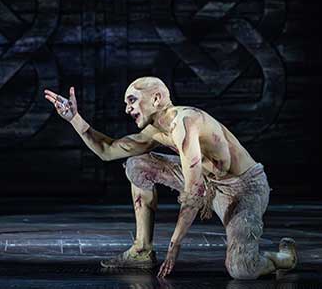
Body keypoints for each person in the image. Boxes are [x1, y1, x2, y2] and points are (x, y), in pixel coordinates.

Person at [44, 77, 297, 279]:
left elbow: (194, 193)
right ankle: (142, 250)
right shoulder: (155, 131)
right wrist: (74, 119)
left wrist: (174, 246)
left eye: (132, 100)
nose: (127, 109)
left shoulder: (186, 123)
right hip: (208, 183)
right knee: (137, 164)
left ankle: (283, 258)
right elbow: (107, 151)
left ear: (156, 99)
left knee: (241, 269)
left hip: (244, 188)